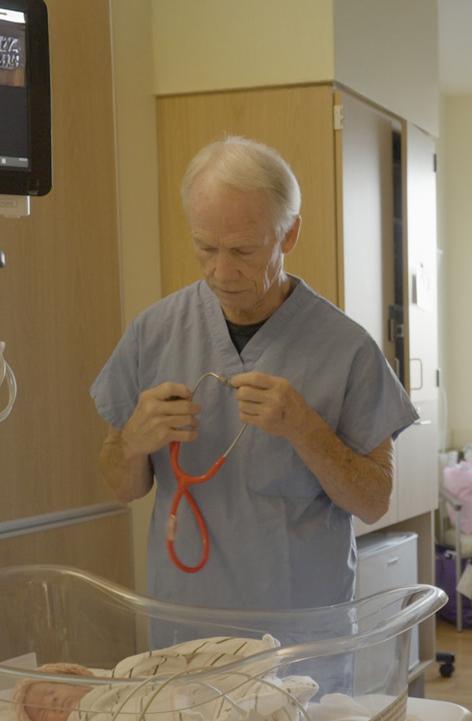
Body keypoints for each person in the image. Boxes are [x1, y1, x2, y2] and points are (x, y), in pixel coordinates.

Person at [90, 135, 417, 611]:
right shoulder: (155, 332)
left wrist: (305, 429)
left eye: (243, 251)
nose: (221, 272)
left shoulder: (345, 348)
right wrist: (133, 442)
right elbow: (121, 487)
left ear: (288, 234)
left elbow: (373, 501)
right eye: (205, 248)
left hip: (299, 635)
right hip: (189, 626)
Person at [10, 636, 321, 721]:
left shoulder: (116, 677)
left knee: (198, 687)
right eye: (42, 713)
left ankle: (259, 694)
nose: (53, 703)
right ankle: (253, 716)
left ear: (77, 678)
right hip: (149, 717)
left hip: (167, 693)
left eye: (52, 692)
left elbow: (158, 668)